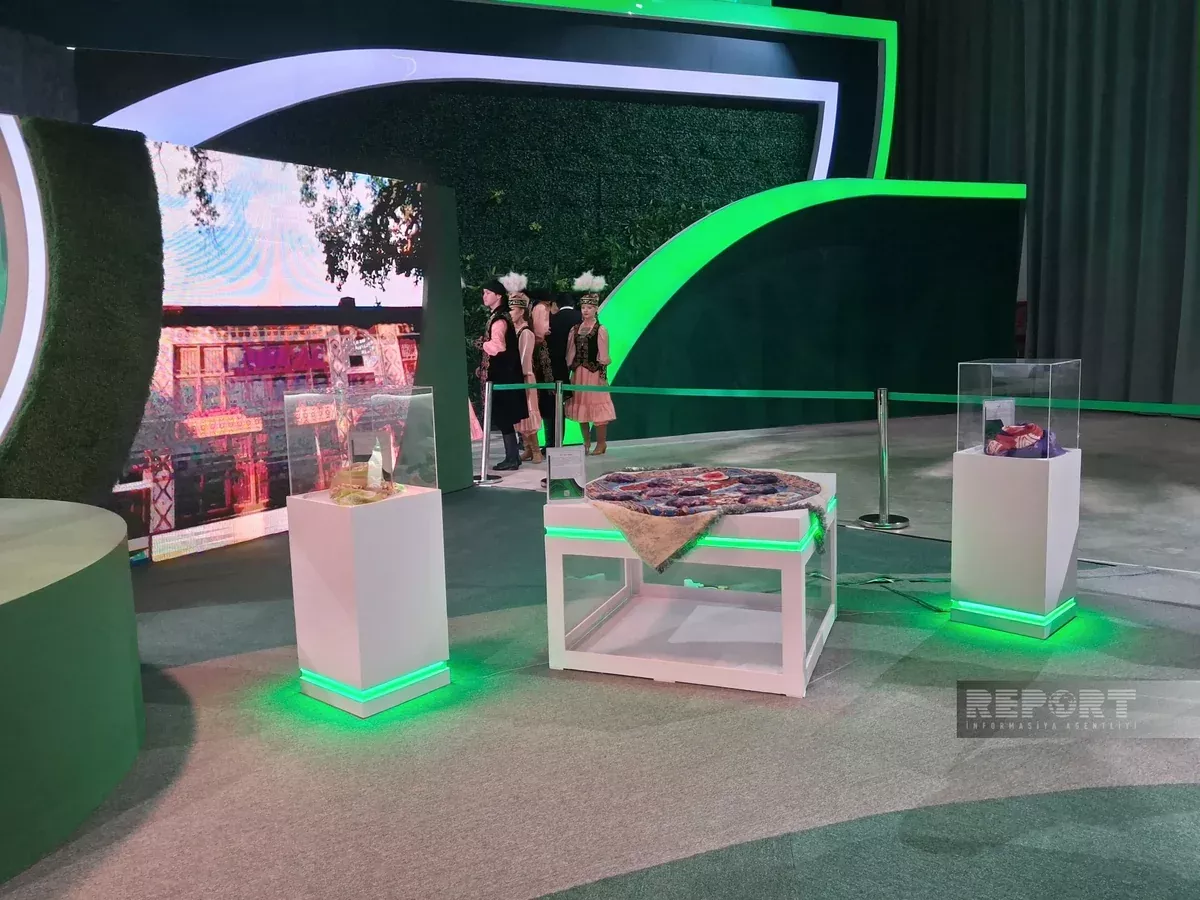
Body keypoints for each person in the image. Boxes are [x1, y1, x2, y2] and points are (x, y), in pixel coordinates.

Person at [565, 273, 617, 455]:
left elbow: (604, 355)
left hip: (593, 374)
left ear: (595, 309)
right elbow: (570, 353)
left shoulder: (600, 330)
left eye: (589, 308)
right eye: (583, 307)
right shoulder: (575, 329)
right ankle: (586, 442)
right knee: (582, 409)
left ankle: (601, 443)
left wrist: (602, 372)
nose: (585, 311)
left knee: (597, 409)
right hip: (578, 374)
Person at [479, 279, 526, 470]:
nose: (484, 296)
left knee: (504, 417)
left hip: (503, 375)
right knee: (504, 417)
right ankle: (513, 456)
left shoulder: (499, 319)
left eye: (488, 293)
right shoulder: (499, 316)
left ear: (498, 295)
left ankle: (512, 458)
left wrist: (482, 344)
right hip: (504, 374)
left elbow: (498, 347)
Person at [506, 291, 544, 463]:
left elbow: (525, 358)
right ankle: (528, 448)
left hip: (525, 377)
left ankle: (536, 450)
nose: (510, 314)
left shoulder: (526, 332)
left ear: (521, 311)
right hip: (515, 377)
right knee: (520, 414)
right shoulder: (512, 331)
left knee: (528, 413)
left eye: (513, 310)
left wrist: (518, 374)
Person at [528, 287, 559, 448]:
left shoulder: (538, 308)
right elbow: (542, 332)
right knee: (548, 399)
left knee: (546, 399)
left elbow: (539, 333)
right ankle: (550, 441)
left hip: (541, 358)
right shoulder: (543, 308)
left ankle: (548, 442)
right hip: (545, 357)